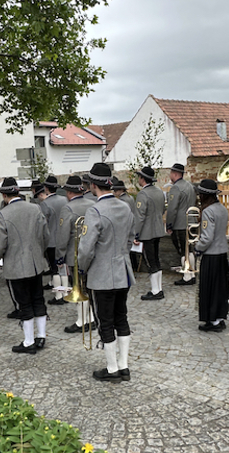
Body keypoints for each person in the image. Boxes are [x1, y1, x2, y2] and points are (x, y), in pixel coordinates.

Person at [78, 163, 135, 383]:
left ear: (93, 185)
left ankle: (112, 369)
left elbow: (85, 248)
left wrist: (82, 268)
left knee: (105, 321)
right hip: (123, 271)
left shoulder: (95, 210)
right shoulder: (125, 207)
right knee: (122, 317)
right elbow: (130, 238)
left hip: (102, 275)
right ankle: (124, 366)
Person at [0, 177, 50, 354]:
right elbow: (45, 236)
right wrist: (39, 252)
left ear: (5, 196)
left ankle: (29, 341)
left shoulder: (3, 214)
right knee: (38, 298)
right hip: (35, 262)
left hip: (16, 264)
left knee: (24, 303)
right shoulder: (35, 208)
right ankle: (42, 336)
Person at [55, 175, 95, 334]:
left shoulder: (68, 208)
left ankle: (81, 321)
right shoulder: (93, 204)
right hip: (92, 252)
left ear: (70, 193)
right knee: (90, 286)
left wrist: (60, 254)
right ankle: (92, 317)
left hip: (75, 254)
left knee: (78, 288)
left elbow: (63, 236)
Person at [193, 180, 229, 333]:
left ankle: (212, 321)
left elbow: (207, 238)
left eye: (200, 194)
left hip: (211, 255)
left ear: (204, 195)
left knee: (210, 289)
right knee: (220, 288)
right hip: (222, 253)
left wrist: (197, 248)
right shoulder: (222, 208)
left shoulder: (208, 211)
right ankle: (220, 318)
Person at [134, 167, 166, 301]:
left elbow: (140, 216)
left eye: (139, 177)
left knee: (150, 261)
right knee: (156, 260)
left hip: (147, 232)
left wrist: (136, 234)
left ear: (143, 179)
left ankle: (155, 291)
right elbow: (163, 209)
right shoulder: (159, 191)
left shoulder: (143, 194)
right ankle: (158, 288)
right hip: (158, 229)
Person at [165, 163, 197, 286]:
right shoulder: (190, 186)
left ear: (175, 174)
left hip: (180, 224)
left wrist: (169, 225)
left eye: (171, 173)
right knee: (190, 250)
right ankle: (192, 273)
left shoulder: (175, 188)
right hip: (191, 222)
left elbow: (172, 209)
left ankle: (187, 276)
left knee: (183, 251)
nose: (170, 176)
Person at [39, 175, 67, 305]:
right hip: (64, 238)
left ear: (46, 188)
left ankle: (58, 295)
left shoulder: (45, 204)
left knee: (54, 269)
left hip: (52, 241)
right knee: (64, 268)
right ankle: (66, 292)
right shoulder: (65, 200)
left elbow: (43, 225)